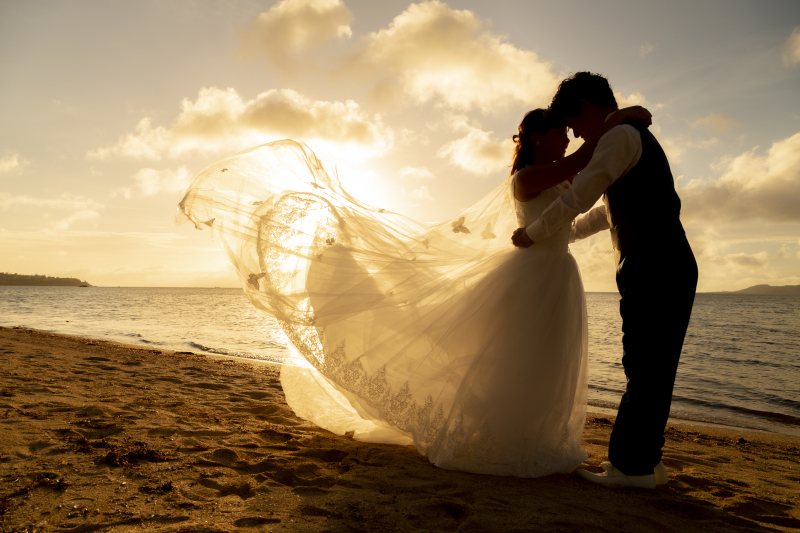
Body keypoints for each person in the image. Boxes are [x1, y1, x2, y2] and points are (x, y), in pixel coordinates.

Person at [176, 104, 649, 478]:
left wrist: (611, 214)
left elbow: (571, 222)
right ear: (540, 138)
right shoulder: (527, 178)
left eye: (567, 133)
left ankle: (530, 440)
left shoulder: (560, 176)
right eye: (559, 132)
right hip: (531, 278)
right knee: (516, 359)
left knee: (544, 361)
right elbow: (586, 161)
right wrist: (621, 121)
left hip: (556, 276)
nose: (567, 138)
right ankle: (505, 441)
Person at [512, 72, 698, 488]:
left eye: (573, 123)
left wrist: (533, 233)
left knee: (644, 364)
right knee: (655, 366)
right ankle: (647, 462)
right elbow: (605, 211)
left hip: (653, 264)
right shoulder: (628, 136)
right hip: (668, 262)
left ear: (585, 107)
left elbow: (581, 197)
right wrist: (564, 234)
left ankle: (631, 468)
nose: (576, 135)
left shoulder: (619, 138)